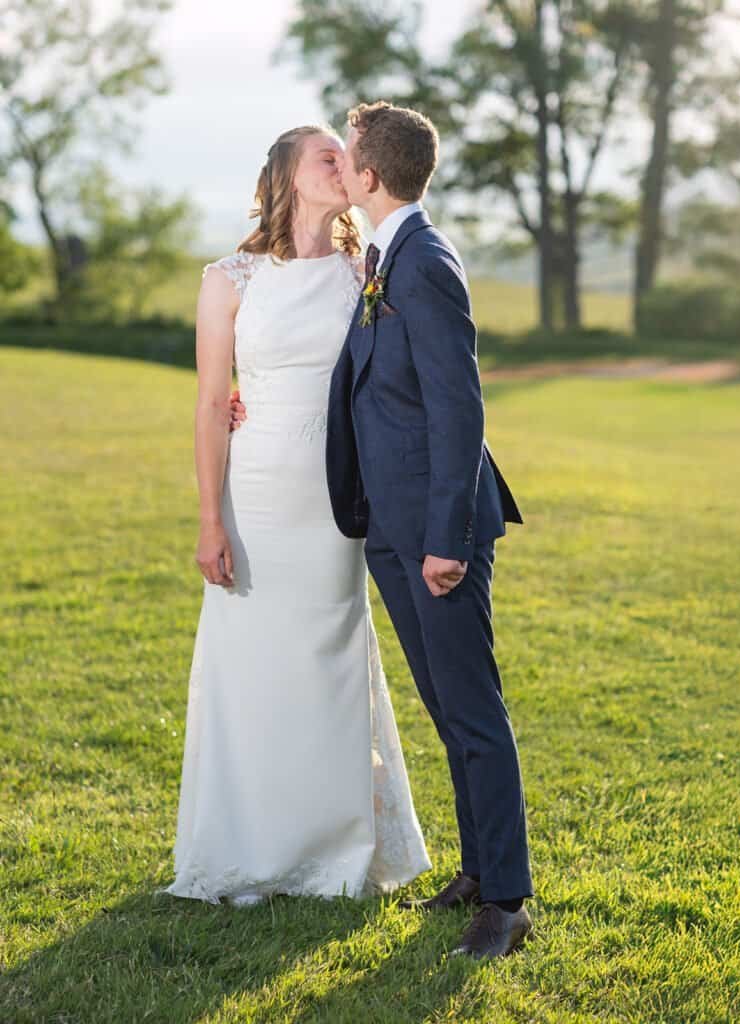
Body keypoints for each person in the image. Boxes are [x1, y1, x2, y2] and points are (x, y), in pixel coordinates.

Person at [231, 102, 535, 960]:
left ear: (367, 175)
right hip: (392, 526)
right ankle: (477, 871)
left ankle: (506, 903)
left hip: (437, 533)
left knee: (472, 711)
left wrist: (446, 537)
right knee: (446, 708)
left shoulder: (424, 261)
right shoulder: (383, 257)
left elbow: (458, 405)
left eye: (347, 154)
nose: (341, 166)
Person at [161, 123, 431, 907]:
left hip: (339, 496)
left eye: (345, 158)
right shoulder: (230, 278)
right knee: (250, 663)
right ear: (285, 174)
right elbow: (214, 403)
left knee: (331, 659)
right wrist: (210, 521)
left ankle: (332, 848)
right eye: (326, 155)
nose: (343, 165)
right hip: (258, 495)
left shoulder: (366, 272)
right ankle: (246, 840)